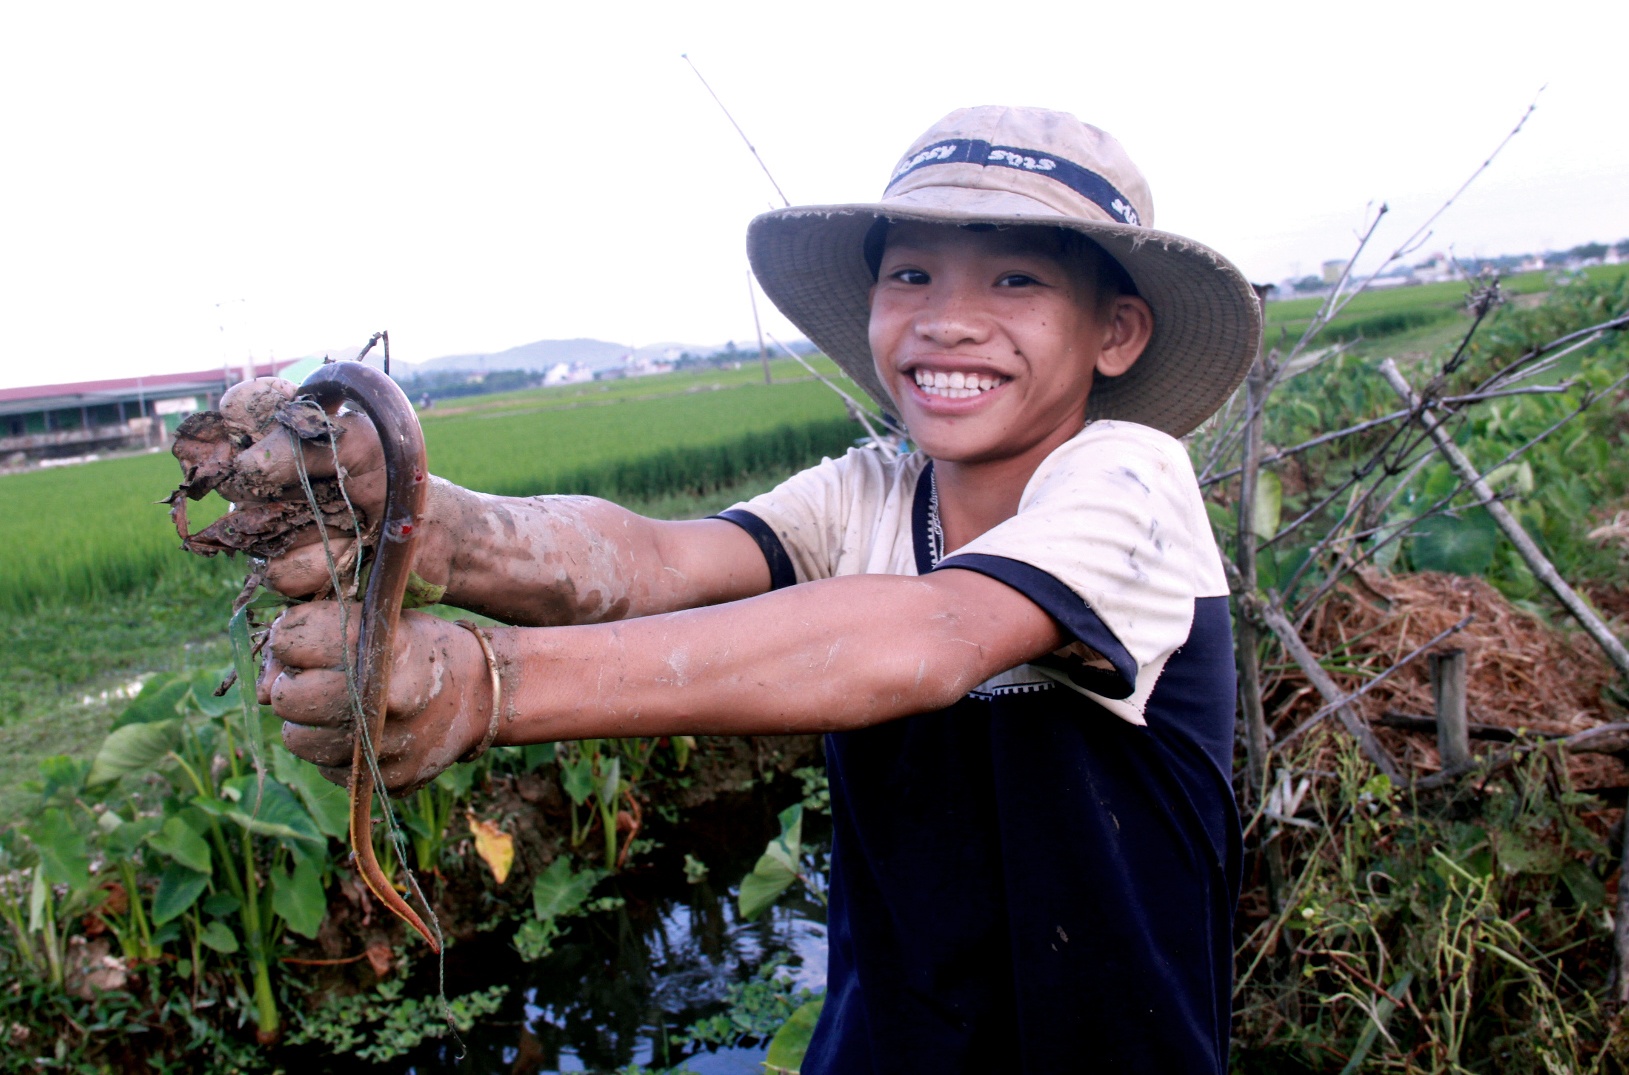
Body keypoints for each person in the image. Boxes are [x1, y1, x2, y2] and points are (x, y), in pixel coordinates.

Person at [262, 105, 1262, 1072]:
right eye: (911, 273)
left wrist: (487, 682)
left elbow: (934, 633)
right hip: (887, 1044)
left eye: (1015, 279)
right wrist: (434, 524)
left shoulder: (1132, 484)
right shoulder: (870, 490)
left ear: (1117, 332)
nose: (951, 320)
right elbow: (656, 563)